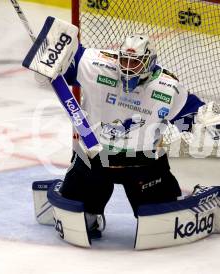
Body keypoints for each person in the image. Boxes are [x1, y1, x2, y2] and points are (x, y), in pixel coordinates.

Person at [59, 34, 206, 238]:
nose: (128, 67)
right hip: (95, 159)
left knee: (161, 227)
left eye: (135, 63)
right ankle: (90, 212)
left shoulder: (168, 87)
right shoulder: (97, 65)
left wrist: (209, 121)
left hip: (144, 164)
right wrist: (51, 53)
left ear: (149, 62)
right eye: (125, 60)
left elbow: (193, 115)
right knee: (80, 222)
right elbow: (68, 59)